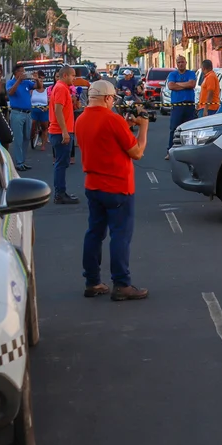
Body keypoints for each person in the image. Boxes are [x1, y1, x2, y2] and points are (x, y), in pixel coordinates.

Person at [74, 80, 150, 301]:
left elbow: (103, 141)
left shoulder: (81, 120)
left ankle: (92, 281)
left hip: (93, 184)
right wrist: (143, 128)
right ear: (108, 98)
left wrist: (125, 127)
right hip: (117, 186)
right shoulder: (113, 119)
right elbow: (136, 152)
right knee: (120, 236)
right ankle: (122, 284)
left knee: (94, 234)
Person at [48, 66, 79, 204]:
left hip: (61, 131)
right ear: (65, 75)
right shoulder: (60, 88)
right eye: (72, 75)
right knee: (61, 164)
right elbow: (58, 110)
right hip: (60, 132)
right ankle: (59, 194)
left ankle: (61, 192)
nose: (74, 78)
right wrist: (65, 131)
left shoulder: (62, 88)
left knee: (62, 163)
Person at [165, 56, 198, 160]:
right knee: (174, 129)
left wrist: (178, 84)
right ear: (176, 63)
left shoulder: (191, 73)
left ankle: (190, 152)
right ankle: (170, 151)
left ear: (186, 63)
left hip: (189, 105)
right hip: (177, 105)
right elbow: (170, 86)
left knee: (190, 129)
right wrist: (185, 85)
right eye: (179, 62)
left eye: (182, 62)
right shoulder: (173, 74)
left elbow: (192, 84)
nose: (181, 64)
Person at [7, 65, 36, 172]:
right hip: (17, 113)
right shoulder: (11, 82)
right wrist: (18, 81)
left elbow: (37, 86)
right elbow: (10, 92)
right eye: (21, 71)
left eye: (24, 71)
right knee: (18, 138)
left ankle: (23, 161)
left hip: (27, 113)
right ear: (16, 73)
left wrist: (37, 78)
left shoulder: (27, 83)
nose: (23, 73)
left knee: (26, 137)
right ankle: (19, 162)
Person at [30, 72, 50, 151]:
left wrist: (47, 107)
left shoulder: (46, 91)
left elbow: (50, 101)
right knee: (33, 123)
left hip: (44, 110)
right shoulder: (32, 91)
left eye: (41, 81)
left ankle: (43, 144)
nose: (40, 83)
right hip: (34, 110)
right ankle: (32, 135)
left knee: (44, 127)